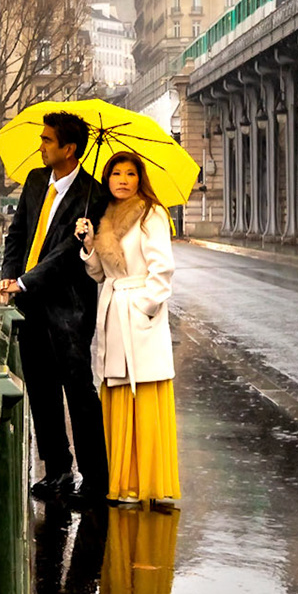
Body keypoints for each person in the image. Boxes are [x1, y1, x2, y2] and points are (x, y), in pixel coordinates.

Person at [0, 111, 108, 502]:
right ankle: (57, 469)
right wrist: (11, 276)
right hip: (30, 302)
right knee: (41, 389)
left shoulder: (93, 195)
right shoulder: (37, 180)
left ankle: (94, 477)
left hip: (69, 308)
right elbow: (18, 234)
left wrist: (23, 281)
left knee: (78, 390)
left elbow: (66, 254)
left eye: (47, 140)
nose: (40, 145)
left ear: (68, 149)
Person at [76, 151, 181, 507]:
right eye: (116, 174)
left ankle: (148, 483)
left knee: (144, 392)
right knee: (119, 393)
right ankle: (125, 483)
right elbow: (101, 275)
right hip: (113, 312)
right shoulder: (104, 219)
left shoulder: (151, 214)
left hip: (138, 315)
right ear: (106, 180)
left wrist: (144, 307)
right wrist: (90, 246)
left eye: (130, 174)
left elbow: (162, 270)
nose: (122, 180)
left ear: (140, 179)